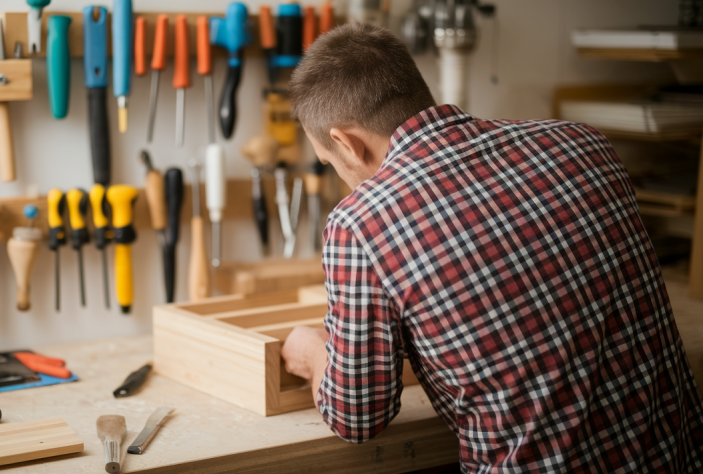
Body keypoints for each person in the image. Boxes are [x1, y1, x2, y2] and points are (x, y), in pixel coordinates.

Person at [280, 22, 703, 473]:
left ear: (347, 142)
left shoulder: (360, 223)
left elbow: (357, 418)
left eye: (330, 164)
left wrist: (313, 354)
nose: (343, 182)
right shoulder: (586, 144)